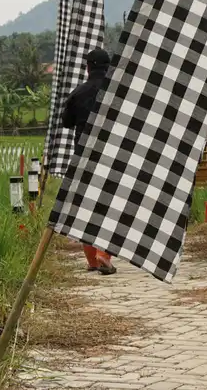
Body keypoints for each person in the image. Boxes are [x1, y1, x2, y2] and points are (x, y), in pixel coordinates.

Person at [62, 47, 117, 276]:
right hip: (112, 156)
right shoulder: (118, 93)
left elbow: (66, 122)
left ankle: (92, 261)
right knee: (111, 206)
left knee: (85, 208)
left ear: (87, 68)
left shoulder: (78, 92)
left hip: (84, 157)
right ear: (109, 68)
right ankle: (104, 255)